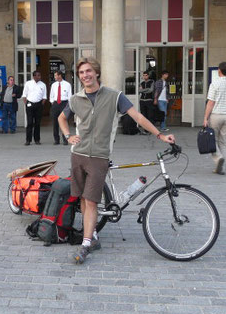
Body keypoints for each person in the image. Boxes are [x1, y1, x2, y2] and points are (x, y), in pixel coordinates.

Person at [58, 57, 175, 265]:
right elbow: (61, 118)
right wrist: (68, 136)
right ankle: (92, 235)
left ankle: (85, 244)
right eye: (82, 72)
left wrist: (160, 135)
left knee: (92, 199)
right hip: (78, 154)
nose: (85, 75)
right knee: (84, 199)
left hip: (99, 156)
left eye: (89, 71)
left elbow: (137, 117)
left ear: (96, 73)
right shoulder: (76, 98)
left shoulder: (114, 96)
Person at [203, 62, 226, 175]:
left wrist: (205, 118)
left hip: (216, 115)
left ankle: (218, 158)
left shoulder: (215, 84)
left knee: (212, 140)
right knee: (223, 141)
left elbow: (211, 102)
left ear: (219, 70)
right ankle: (221, 168)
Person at [21, 70, 47, 145]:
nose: (39, 77)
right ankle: (28, 140)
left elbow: (44, 96)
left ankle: (37, 139)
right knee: (29, 123)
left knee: (37, 123)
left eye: (40, 75)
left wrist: (41, 104)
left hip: (39, 105)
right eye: (37, 75)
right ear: (34, 76)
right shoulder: (28, 83)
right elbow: (24, 95)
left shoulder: (43, 85)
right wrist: (26, 103)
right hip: (30, 104)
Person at [49, 70, 72, 145]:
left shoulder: (67, 84)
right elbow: (51, 95)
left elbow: (70, 96)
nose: (55, 77)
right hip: (56, 104)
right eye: (55, 75)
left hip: (64, 103)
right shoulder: (54, 85)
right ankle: (56, 139)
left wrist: (68, 105)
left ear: (60, 75)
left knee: (64, 121)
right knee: (55, 122)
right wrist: (52, 102)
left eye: (56, 75)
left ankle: (65, 139)